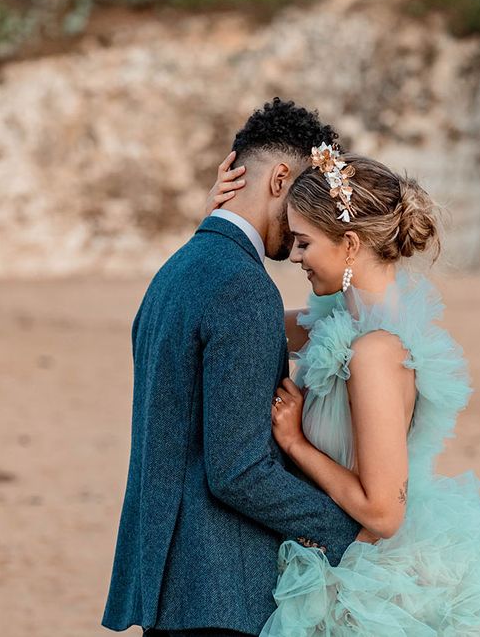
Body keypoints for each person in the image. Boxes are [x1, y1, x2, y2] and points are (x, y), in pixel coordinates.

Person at [209, 146, 480, 635]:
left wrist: (295, 444)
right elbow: (245, 320)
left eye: (304, 243)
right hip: (339, 549)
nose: (295, 256)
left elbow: (384, 511)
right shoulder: (340, 320)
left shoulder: (377, 351)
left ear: (349, 243)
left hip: (376, 576)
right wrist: (221, 228)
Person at [101, 99, 371, 637]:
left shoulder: (176, 273)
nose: (306, 219)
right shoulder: (242, 287)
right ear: (279, 179)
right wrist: (345, 528)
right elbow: (238, 469)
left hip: (171, 585)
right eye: (306, 195)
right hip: (221, 591)